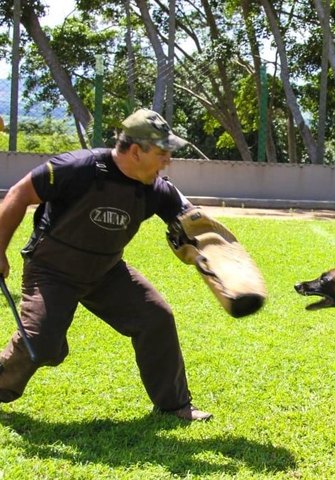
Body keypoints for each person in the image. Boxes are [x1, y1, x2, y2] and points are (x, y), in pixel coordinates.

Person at [0, 109, 211, 421]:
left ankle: (174, 406)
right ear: (136, 151)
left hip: (106, 272)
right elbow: (19, 194)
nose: (168, 160)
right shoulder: (77, 167)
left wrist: (209, 250)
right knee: (42, 344)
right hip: (52, 270)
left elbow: (191, 219)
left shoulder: (156, 188)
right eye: (162, 152)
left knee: (156, 317)